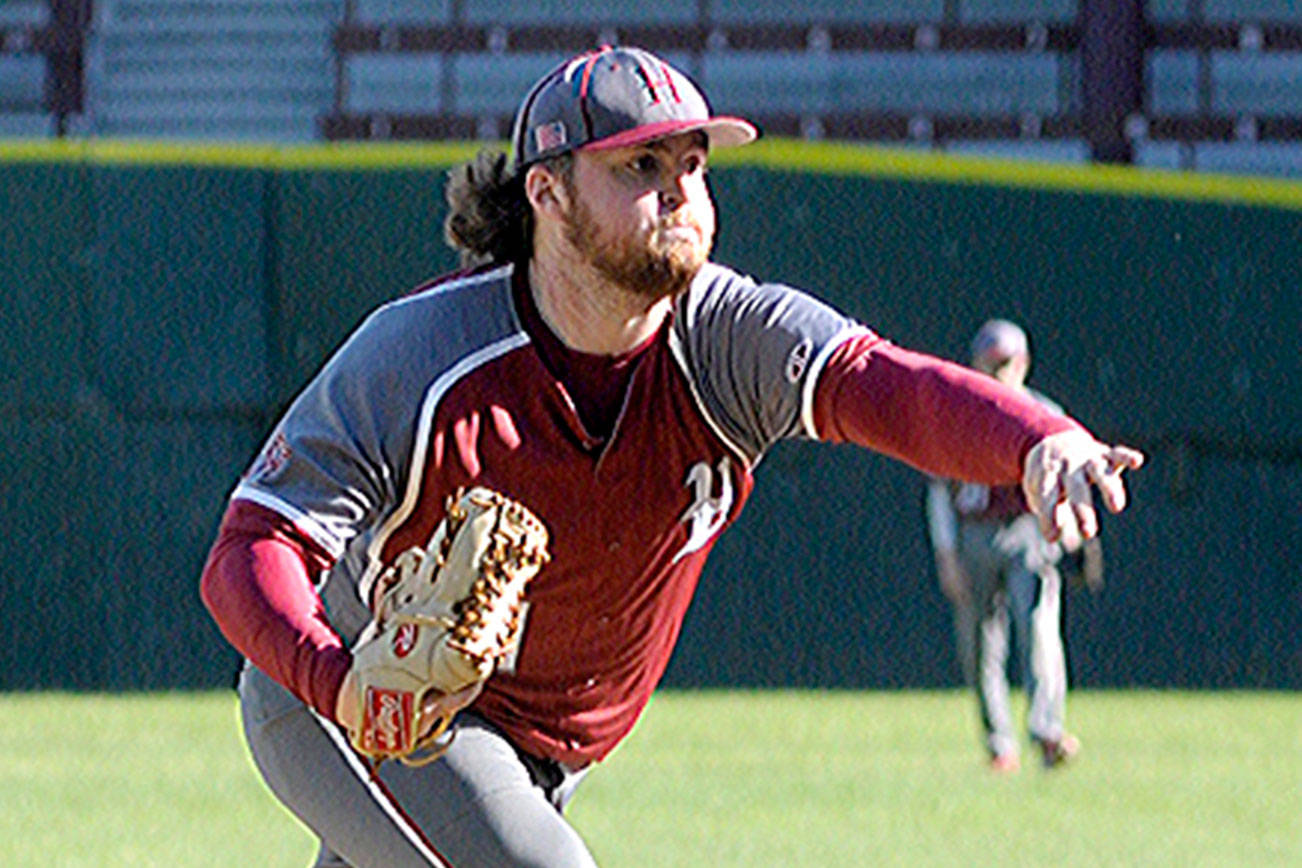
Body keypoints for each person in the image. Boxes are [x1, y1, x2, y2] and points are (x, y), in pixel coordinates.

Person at [200, 45, 1144, 867]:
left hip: (545, 752)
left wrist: (1035, 440)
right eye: (640, 166)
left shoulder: (727, 339)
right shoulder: (423, 357)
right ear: (549, 192)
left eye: (694, 163)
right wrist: (337, 682)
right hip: (364, 709)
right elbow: (247, 549)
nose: (680, 190)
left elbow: (879, 384)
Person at [925, 319, 1103, 773]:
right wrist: (946, 554)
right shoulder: (958, 412)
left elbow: (1068, 479)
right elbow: (939, 491)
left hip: (1028, 532)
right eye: (991, 363)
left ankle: (1046, 732)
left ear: (1023, 363)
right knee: (981, 646)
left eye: (1006, 363)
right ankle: (998, 744)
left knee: (1039, 632)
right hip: (975, 535)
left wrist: (1074, 533)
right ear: (976, 364)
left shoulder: (1041, 413)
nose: (999, 372)